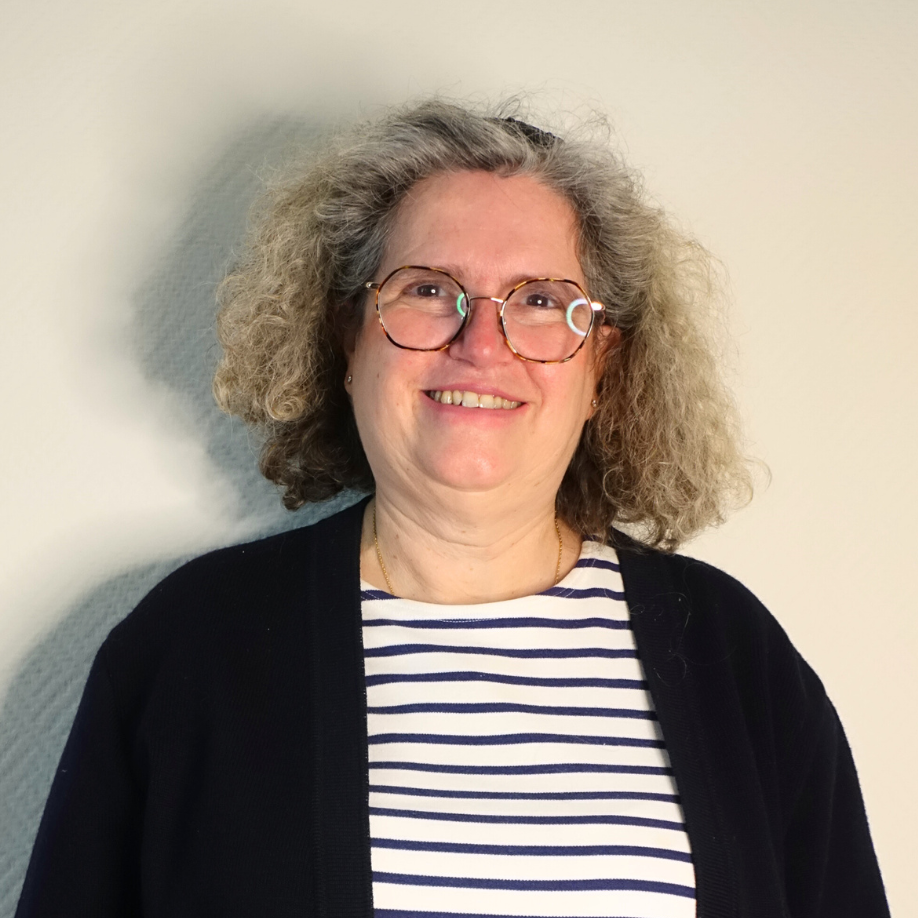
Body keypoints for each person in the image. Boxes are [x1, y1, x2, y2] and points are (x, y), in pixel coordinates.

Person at [17, 100, 888, 917]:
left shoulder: (733, 657)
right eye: (429, 290)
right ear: (349, 339)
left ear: (603, 369)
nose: (481, 344)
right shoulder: (191, 647)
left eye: (540, 301)